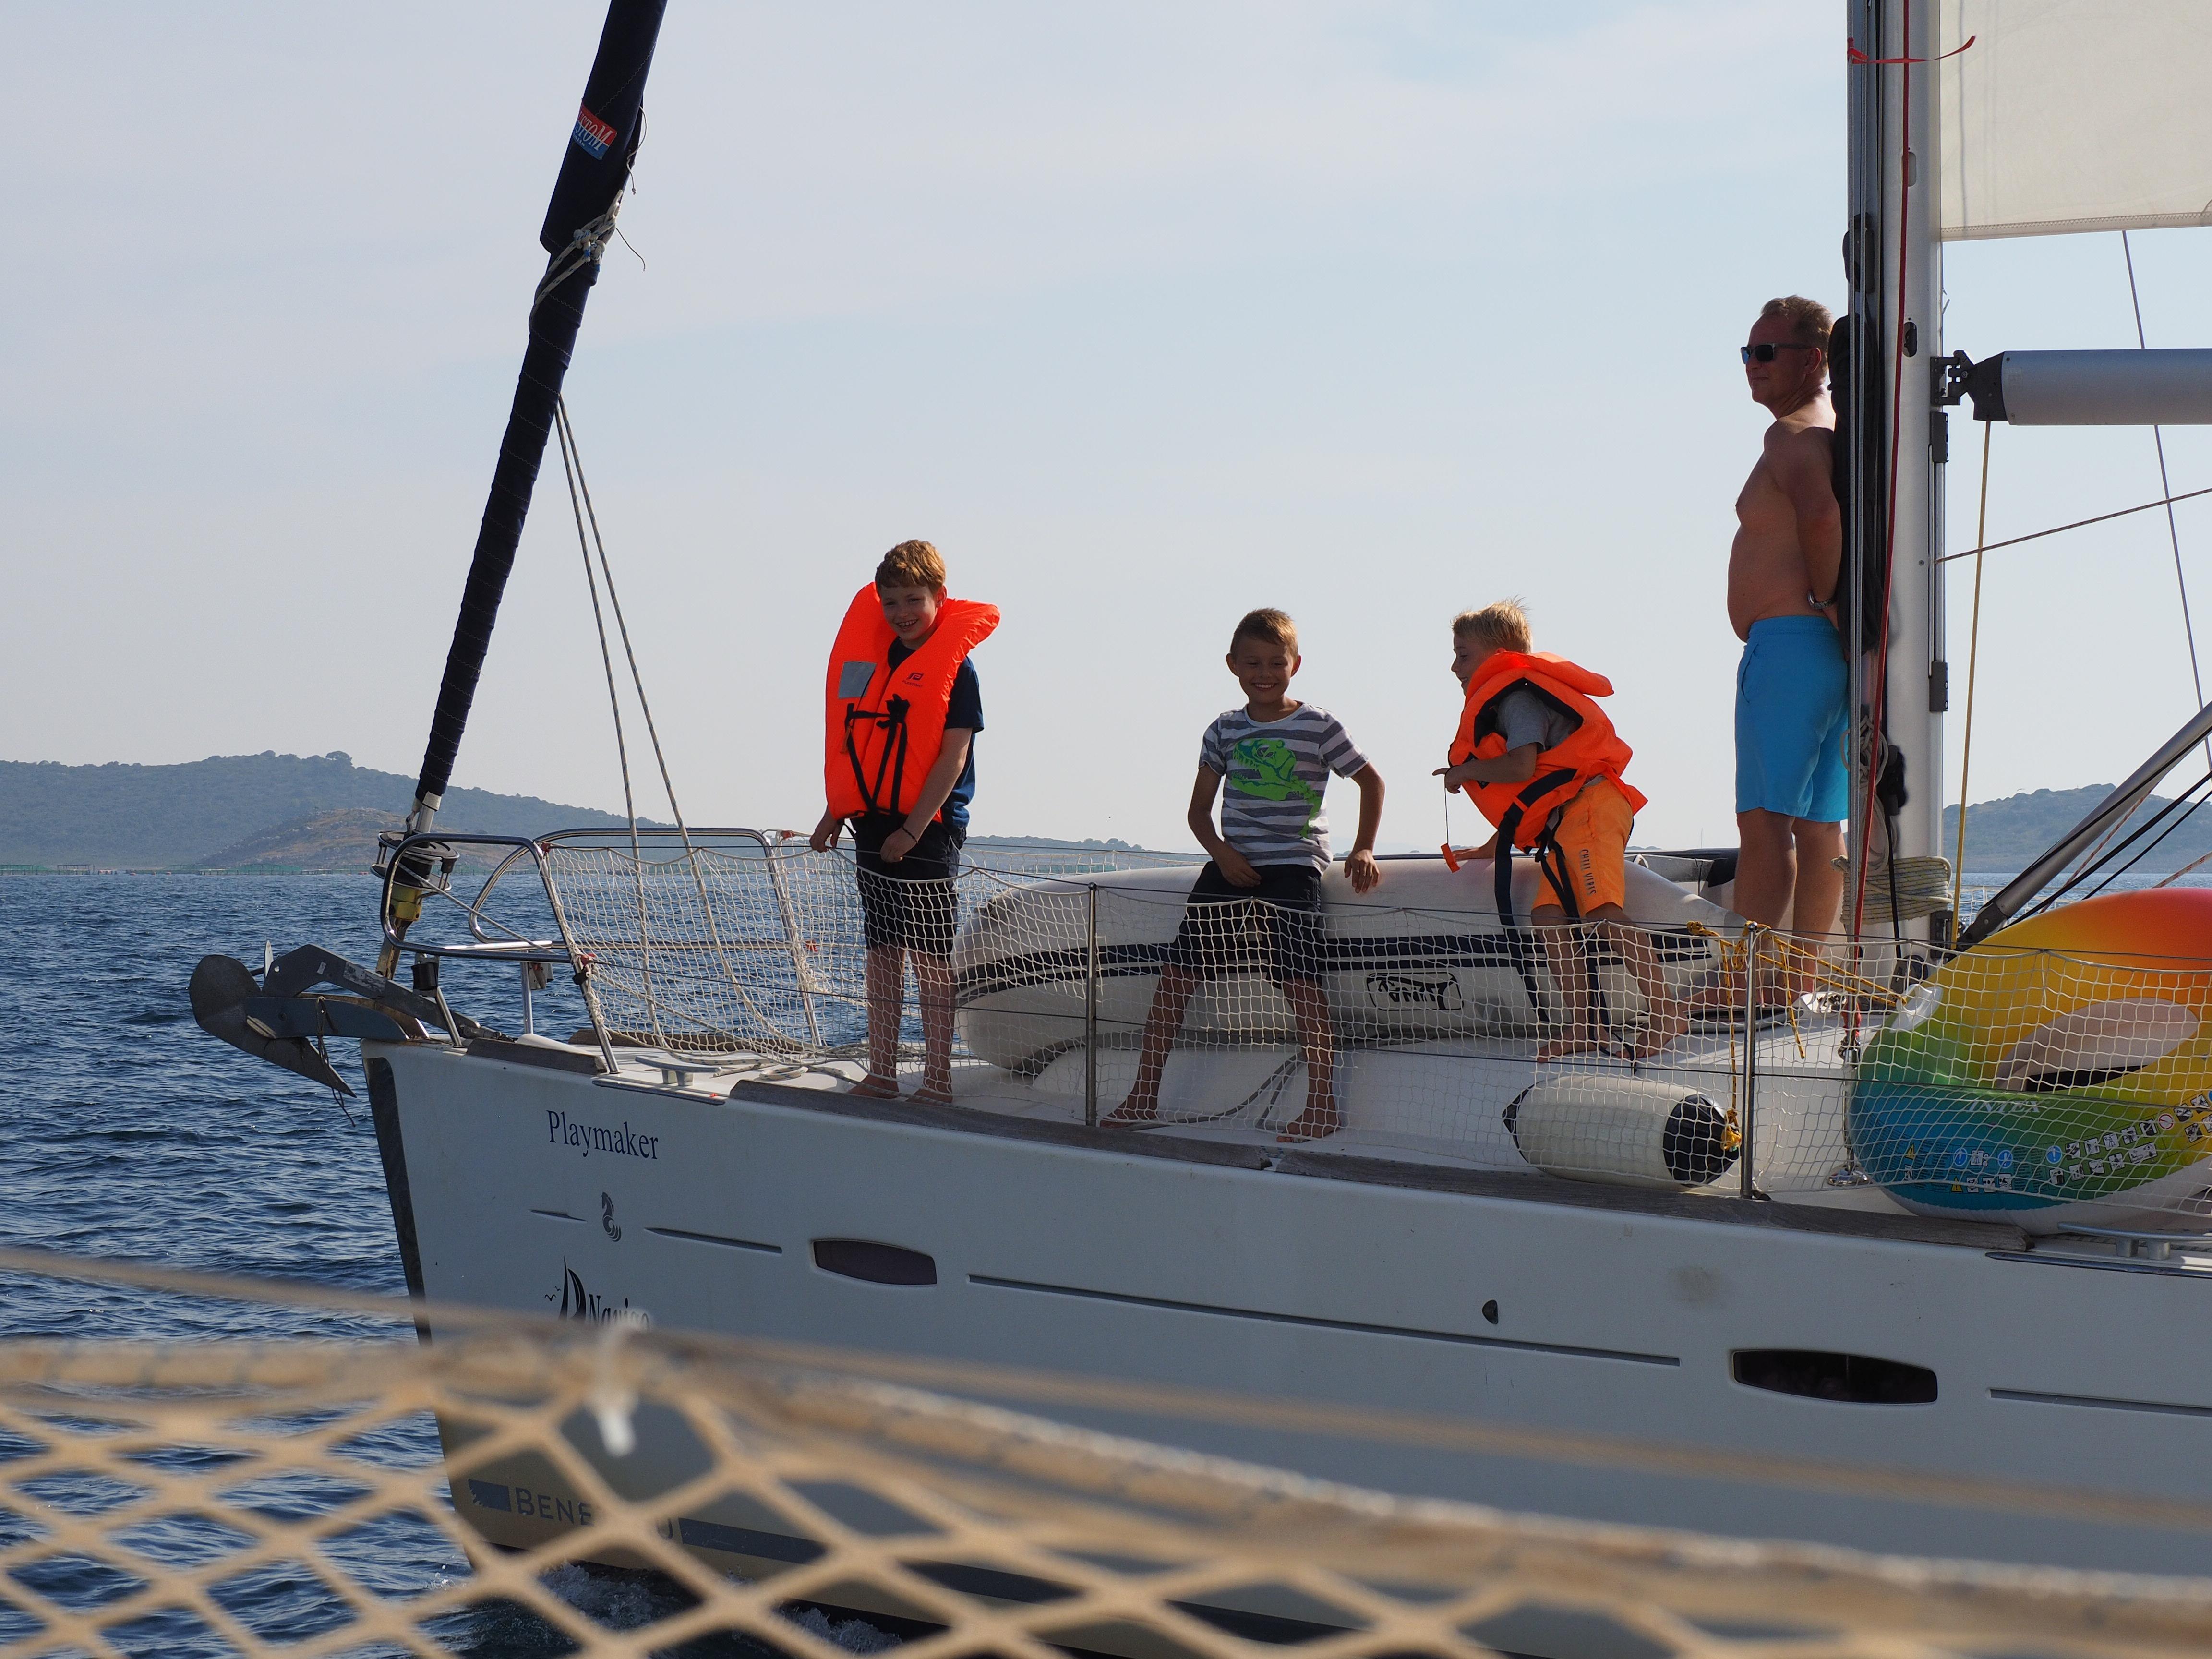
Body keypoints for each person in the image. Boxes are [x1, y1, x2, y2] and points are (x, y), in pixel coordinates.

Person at [1104, 608, 1383, 1143]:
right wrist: (1222, 854)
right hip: (1232, 864)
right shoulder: (1224, 729)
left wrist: (1365, 847)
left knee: (1302, 984)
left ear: (1295, 665)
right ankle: (1144, 1093)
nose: (1265, 672)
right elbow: (1198, 813)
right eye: (1253, 662)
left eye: (1276, 663)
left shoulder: (1319, 725)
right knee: (1175, 981)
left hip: (1295, 866)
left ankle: (1321, 1104)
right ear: (1232, 665)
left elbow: (1372, 782)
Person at [1435, 601, 1684, 1060]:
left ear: (1497, 654)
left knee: (1602, 912)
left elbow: (1522, 765)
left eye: (1462, 654)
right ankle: (1584, 1028)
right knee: (1548, 918)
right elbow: (1536, 798)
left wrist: (1464, 772)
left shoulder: (1517, 698)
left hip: (1590, 807)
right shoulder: (1506, 697)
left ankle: (1667, 1013)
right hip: (1565, 819)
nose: (1454, 666)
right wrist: (1492, 847)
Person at [810, 540, 998, 1103]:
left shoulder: (957, 670)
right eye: (890, 602)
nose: (902, 613)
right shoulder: (873, 663)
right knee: (882, 955)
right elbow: (860, 749)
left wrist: (913, 829)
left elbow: (953, 756)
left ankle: (938, 1078)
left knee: (930, 959)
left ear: (940, 597)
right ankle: (882, 1071)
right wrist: (830, 818)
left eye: (913, 599)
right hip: (871, 823)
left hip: (928, 829)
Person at [1731, 295, 1847, 986]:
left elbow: (1823, 517)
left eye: (1767, 352)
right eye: (1747, 353)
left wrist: (1826, 599)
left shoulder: (1793, 436)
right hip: (1826, 653)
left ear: (1813, 358)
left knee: (1764, 820)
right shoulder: (1828, 428)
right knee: (1818, 825)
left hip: (1789, 649)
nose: (1754, 366)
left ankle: (1743, 982)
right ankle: (1800, 977)